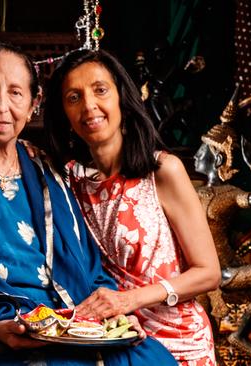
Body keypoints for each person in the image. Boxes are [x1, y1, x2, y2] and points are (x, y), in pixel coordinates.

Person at [0, 43, 177, 366]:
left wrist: (113, 315)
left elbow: (87, 265)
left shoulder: (43, 167)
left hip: (64, 320)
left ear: (34, 103)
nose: (1, 107)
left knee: (149, 358)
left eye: (16, 93)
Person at [43, 48, 221, 366]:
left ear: (121, 98)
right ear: (65, 114)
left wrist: (127, 299)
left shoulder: (163, 171)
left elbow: (208, 273)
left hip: (180, 342)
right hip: (112, 341)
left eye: (100, 90)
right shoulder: (69, 182)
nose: (89, 106)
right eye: (74, 97)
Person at [193, 91, 251, 359]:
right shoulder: (190, 192)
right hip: (199, 274)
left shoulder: (231, 194)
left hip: (226, 270)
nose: (197, 155)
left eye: (202, 150)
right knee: (205, 336)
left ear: (217, 157)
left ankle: (241, 333)